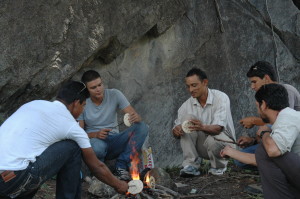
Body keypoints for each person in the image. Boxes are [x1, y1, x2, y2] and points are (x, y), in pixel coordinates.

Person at [0, 81, 128, 199]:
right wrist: (119, 185)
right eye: (83, 106)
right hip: (13, 179)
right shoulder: (71, 126)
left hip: (6, 179)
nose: (82, 110)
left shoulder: (33, 104)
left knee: (31, 159)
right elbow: (96, 166)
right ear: (76, 103)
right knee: (72, 147)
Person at [222, 84, 300, 198]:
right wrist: (231, 152)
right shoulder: (284, 119)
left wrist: (264, 133)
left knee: (265, 148)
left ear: (263, 105)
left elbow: (272, 151)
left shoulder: (288, 116)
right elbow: (264, 160)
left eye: (257, 106)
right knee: (264, 149)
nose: (258, 111)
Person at [78, 70, 148, 181]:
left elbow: (134, 115)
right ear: (86, 89)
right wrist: (95, 134)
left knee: (142, 127)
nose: (98, 89)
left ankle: (121, 165)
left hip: (115, 140)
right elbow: (79, 134)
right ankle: (98, 172)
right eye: (93, 87)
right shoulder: (82, 103)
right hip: (96, 142)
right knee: (98, 147)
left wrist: (136, 117)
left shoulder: (114, 94)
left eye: (100, 85)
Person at [235, 61, 300, 169]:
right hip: (277, 140)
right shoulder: (266, 95)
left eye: (254, 81)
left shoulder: (285, 90)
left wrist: (254, 121)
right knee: (240, 159)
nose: (252, 86)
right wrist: (253, 140)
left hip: (290, 145)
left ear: (266, 78)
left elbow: (282, 121)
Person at [172, 67, 236, 177]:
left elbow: (218, 129)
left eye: (194, 85)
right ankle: (190, 165)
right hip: (203, 147)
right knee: (186, 119)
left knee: (212, 140)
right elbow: (176, 131)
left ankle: (218, 167)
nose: (191, 90)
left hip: (224, 145)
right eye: (188, 86)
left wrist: (201, 127)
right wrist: (177, 131)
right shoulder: (186, 105)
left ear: (205, 82)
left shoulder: (221, 98)